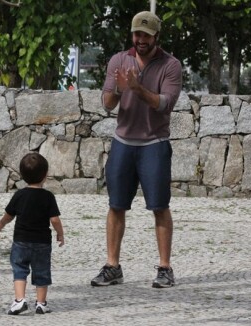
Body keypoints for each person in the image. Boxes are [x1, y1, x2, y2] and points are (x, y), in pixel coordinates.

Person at [90, 11, 182, 288]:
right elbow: (107, 104)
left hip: (154, 143)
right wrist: (119, 90)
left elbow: (164, 104)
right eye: (136, 34)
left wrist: (137, 88)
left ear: (156, 36)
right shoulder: (119, 60)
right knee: (116, 206)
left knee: (159, 206)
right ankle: (112, 266)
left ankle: (165, 268)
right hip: (123, 143)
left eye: (146, 35)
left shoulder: (171, 65)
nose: (140, 39)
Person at [0, 153, 65, 315]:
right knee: (41, 271)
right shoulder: (48, 197)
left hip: (21, 241)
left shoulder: (19, 195)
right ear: (45, 175)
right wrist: (60, 234)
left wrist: (1, 224)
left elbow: (9, 215)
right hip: (42, 243)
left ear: (22, 175)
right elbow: (54, 220)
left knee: (19, 269)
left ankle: (20, 300)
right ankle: (41, 303)